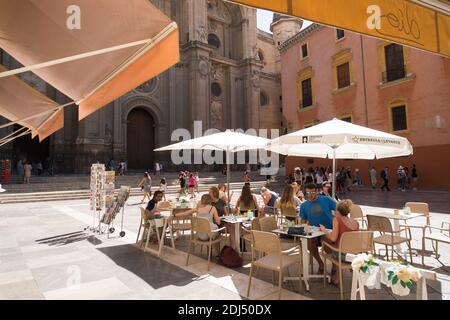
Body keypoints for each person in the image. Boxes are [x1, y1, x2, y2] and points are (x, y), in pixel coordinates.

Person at [320, 199, 359, 286]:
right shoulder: (356, 222)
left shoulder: (337, 220)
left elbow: (333, 238)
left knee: (324, 240)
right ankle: (342, 273)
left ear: (337, 210)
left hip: (341, 255)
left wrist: (324, 230)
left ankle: (336, 275)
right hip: (354, 254)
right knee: (340, 247)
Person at [300, 183, 336, 273]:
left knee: (328, 245)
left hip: (328, 231)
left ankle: (335, 266)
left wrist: (336, 222)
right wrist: (304, 226)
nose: (310, 195)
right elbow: (303, 221)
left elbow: (339, 209)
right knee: (308, 243)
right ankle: (320, 263)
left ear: (317, 191)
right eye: (307, 193)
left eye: (312, 192)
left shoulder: (326, 199)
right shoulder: (304, 205)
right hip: (314, 232)